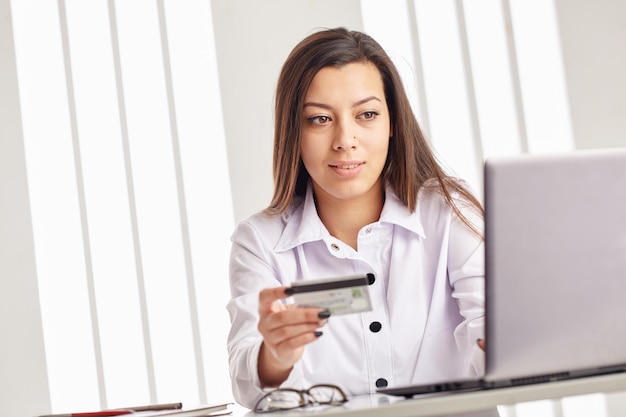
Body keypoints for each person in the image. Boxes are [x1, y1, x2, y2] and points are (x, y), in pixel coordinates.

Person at [226, 27, 486, 410]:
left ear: (393, 122)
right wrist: (276, 356)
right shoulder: (259, 242)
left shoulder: (447, 212)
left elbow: (492, 339)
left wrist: (507, 339)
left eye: (366, 114)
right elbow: (249, 384)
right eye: (319, 119)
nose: (345, 140)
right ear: (292, 131)